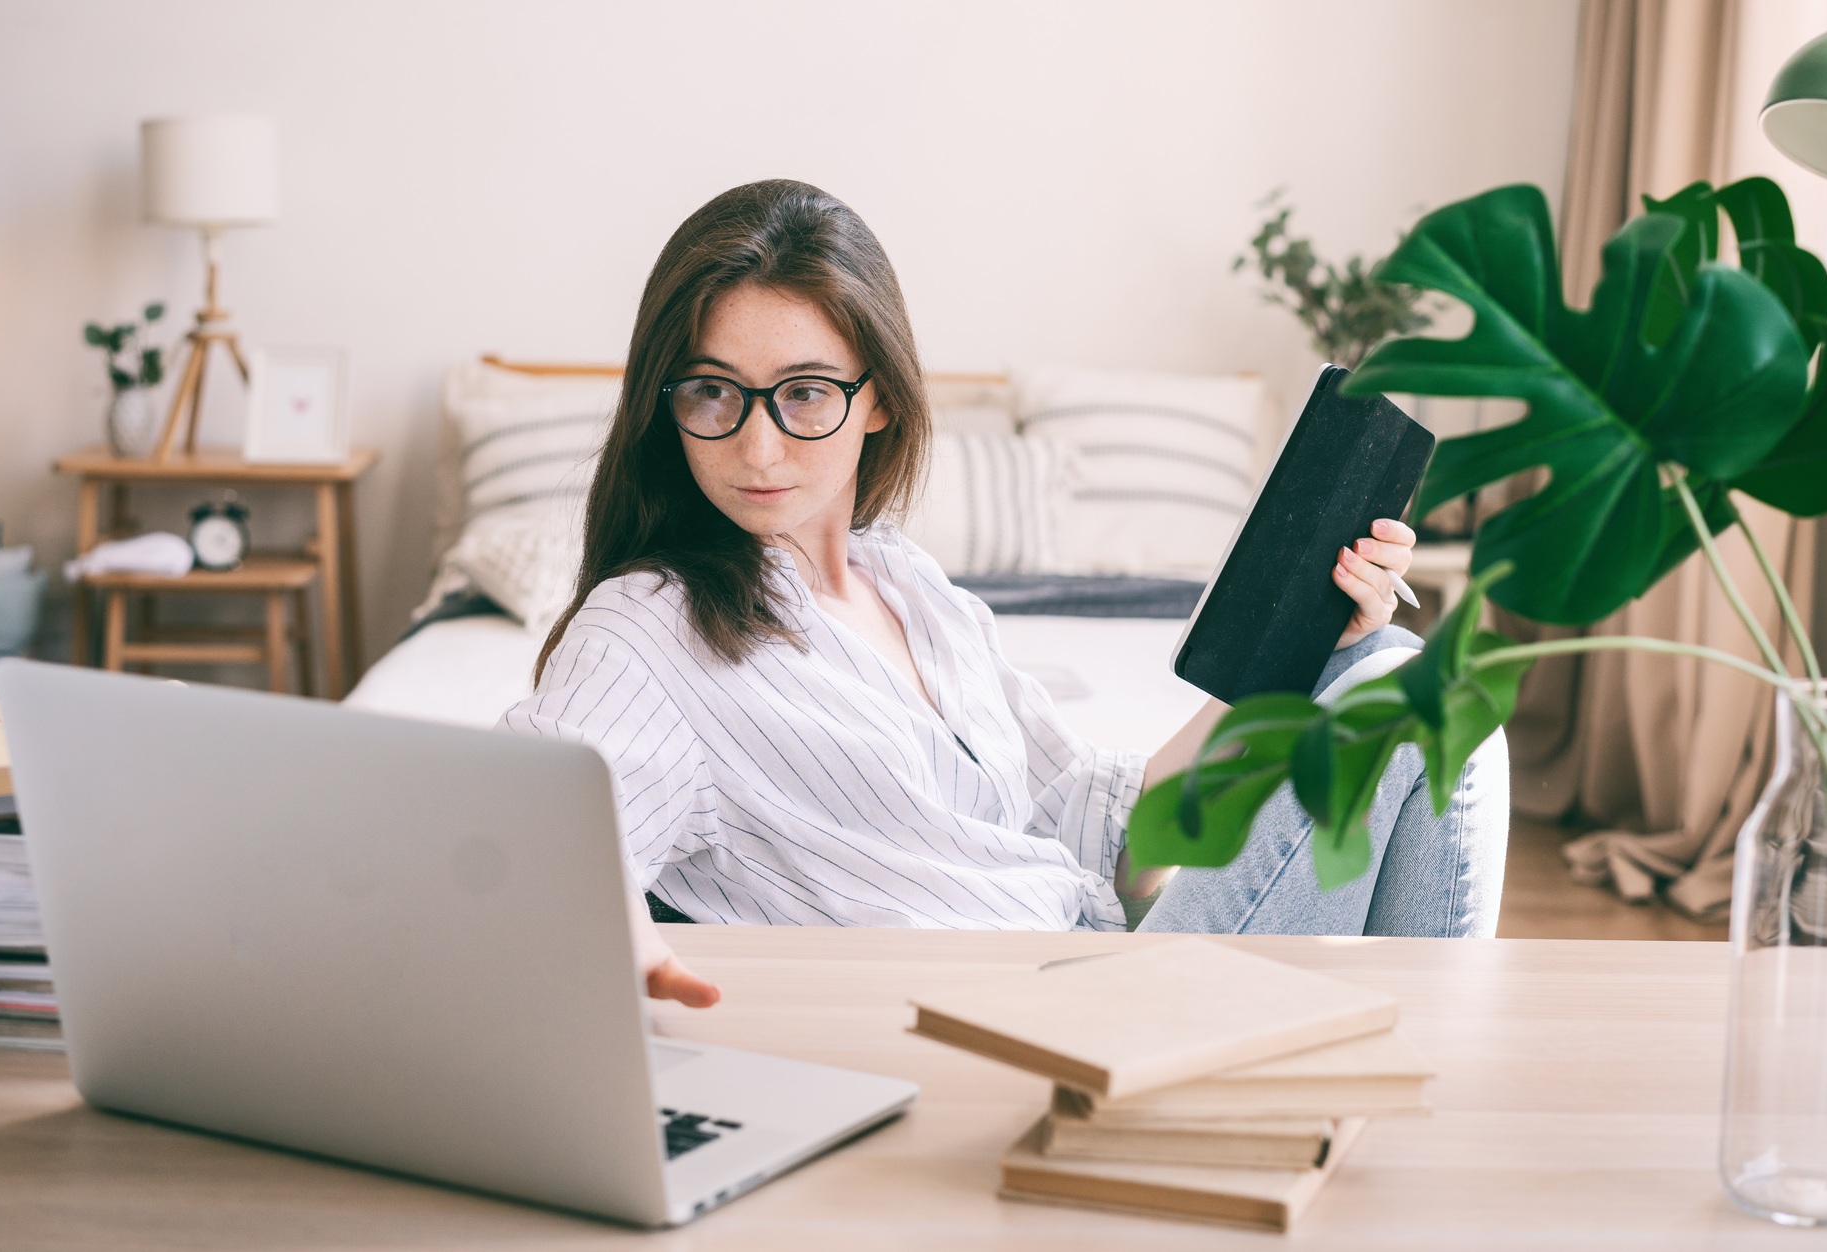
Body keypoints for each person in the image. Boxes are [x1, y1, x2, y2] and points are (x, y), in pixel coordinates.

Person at [502, 180, 1508, 1008]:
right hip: (1012, 1029)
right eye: (712, 391)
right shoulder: (647, 630)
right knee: (1411, 697)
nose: (756, 446)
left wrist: (1302, 650)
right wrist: (610, 945)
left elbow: (1106, 836)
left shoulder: (912, 585)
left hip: (1107, 955)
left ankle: (1388, 1097)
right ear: (666, 403)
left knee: (1387, 666)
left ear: (879, 397)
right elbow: (543, 832)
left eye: (803, 392)